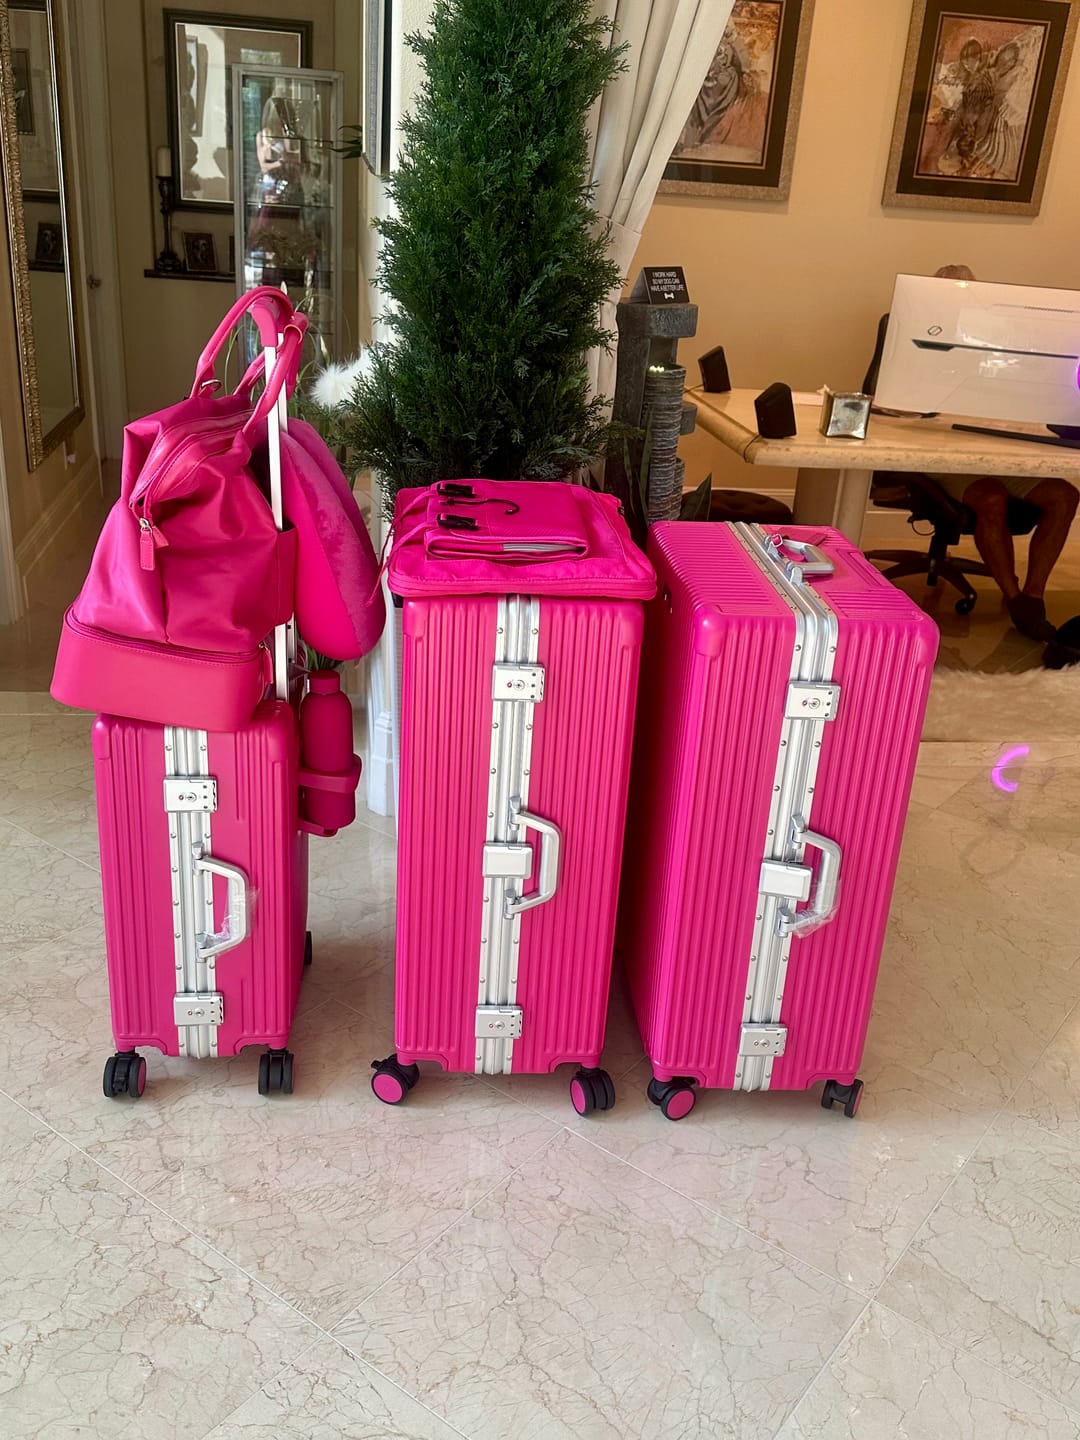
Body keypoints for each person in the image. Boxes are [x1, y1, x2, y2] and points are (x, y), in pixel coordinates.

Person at [864, 265, 1079, 641]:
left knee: (1064, 495)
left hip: (992, 444)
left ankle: (1034, 595)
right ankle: (1016, 601)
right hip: (935, 453)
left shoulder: (991, 342)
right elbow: (879, 403)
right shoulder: (911, 338)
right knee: (991, 498)